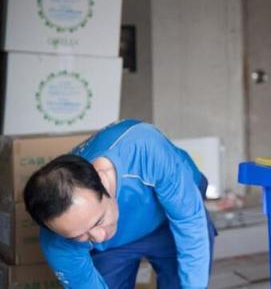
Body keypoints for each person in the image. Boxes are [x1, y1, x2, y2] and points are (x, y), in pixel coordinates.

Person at [23, 119, 217, 289]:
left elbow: (190, 221)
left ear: (101, 179)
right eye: (80, 235)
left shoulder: (144, 149)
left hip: (170, 221)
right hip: (116, 244)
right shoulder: (57, 241)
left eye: (98, 221)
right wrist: (89, 230)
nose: (98, 238)